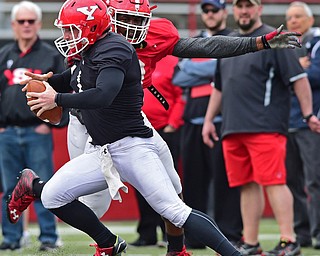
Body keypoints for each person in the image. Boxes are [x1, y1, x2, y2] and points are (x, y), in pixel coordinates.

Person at [7, 0, 247, 255]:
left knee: (174, 209)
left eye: (71, 30)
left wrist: (56, 99)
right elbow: (73, 78)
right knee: (53, 195)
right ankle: (108, 243)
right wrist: (51, 82)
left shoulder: (114, 48)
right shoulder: (90, 48)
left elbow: (102, 95)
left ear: (90, 28)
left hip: (132, 146)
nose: (67, 36)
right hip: (104, 149)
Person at [62, 0, 301, 254]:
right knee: (93, 206)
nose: (132, 26)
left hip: (132, 122)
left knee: (173, 192)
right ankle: (89, 229)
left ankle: (177, 250)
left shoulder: (154, 33)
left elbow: (204, 46)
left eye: (138, 19)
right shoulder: (90, 38)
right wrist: (55, 97)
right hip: (92, 125)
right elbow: (74, 81)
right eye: (125, 19)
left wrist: (259, 42)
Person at [202, 0, 320, 255]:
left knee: (274, 182)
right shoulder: (229, 41)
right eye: (239, 6)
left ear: (259, 9)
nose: (244, 11)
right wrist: (209, 120)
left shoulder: (275, 39)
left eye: (249, 5)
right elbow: (219, 87)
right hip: (233, 126)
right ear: (233, 10)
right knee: (246, 184)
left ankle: (289, 241)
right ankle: (251, 243)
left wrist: (309, 113)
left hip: (265, 126)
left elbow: (299, 80)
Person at [172, 0, 242, 248]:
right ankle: (196, 237)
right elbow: (179, 75)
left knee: (226, 182)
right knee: (192, 182)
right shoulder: (196, 39)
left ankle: (230, 235)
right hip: (192, 120)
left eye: (214, 10)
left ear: (224, 12)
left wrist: (201, 67)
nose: (210, 14)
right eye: (206, 11)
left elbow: (229, 70)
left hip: (224, 121)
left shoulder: (235, 38)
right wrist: (214, 66)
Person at [0, 1, 64, 251]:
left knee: (44, 186)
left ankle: (49, 237)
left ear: (38, 24)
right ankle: (12, 237)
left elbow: (64, 92)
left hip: (36, 131)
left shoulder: (51, 56)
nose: (26, 25)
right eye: (21, 21)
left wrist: (51, 124)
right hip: (7, 133)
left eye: (31, 21)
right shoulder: (4, 55)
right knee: (9, 189)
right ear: (13, 25)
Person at [131, 55, 185, 247]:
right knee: (141, 182)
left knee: (167, 182)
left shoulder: (172, 62)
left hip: (164, 130)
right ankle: (147, 233)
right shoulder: (131, 58)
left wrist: (173, 123)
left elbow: (181, 95)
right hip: (138, 129)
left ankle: (169, 233)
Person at [285, 1, 320, 250]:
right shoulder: (286, 46)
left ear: (310, 20)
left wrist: (293, 71)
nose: (293, 21)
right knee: (292, 182)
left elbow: (317, 74)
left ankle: (318, 232)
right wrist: (300, 68)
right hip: (287, 122)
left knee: (314, 180)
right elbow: (278, 76)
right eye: (290, 17)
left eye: (298, 16)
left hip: (311, 123)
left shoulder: (317, 42)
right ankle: (303, 233)